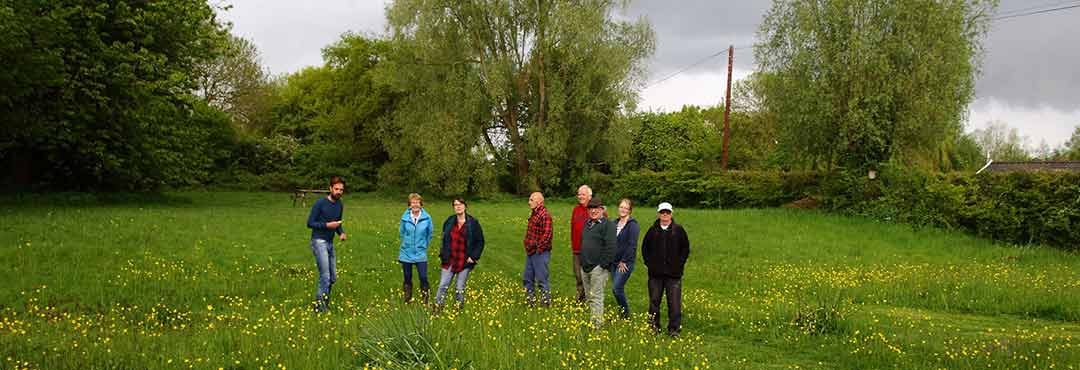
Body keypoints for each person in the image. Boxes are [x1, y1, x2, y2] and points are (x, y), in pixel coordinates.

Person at [641, 202, 690, 336]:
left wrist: (679, 264)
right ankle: (653, 326)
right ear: (658, 214)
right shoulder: (652, 231)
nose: (665, 215)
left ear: (671, 214)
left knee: (674, 303)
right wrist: (650, 264)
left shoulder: (678, 230)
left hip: (673, 275)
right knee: (654, 301)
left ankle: (674, 329)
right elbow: (645, 249)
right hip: (655, 275)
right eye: (662, 212)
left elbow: (685, 249)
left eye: (667, 212)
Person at [306, 176, 348, 313]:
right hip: (319, 241)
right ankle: (320, 307)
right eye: (336, 189)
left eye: (341, 190)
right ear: (330, 188)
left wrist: (341, 232)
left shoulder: (340, 204)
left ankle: (325, 302)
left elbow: (337, 222)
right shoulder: (320, 203)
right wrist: (327, 225)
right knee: (325, 276)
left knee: (332, 277)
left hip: (330, 242)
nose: (339, 192)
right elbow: (310, 223)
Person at [435, 197, 485, 310]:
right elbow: (444, 238)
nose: (458, 206)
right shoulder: (449, 221)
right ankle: (437, 308)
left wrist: (474, 256)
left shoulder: (473, 223)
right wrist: (443, 252)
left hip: (464, 260)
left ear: (465, 206)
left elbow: (480, 241)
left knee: (459, 288)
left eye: (460, 204)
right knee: (443, 285)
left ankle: (458, 309)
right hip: (450, 259)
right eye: (455, 205)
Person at [579, 196, 616, 327]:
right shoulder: (588, 224)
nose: (593, 211)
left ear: (602, 209)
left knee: (596, 297)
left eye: (596, 208)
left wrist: (602, 265)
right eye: (590, 208)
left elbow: (611, 247)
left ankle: (597, 326)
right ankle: (593, 320)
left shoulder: (608, 225)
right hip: (585, 266)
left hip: (598, 268)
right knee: (589, 298)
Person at [398, 193, 433, 304]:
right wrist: (407, 243)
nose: (415, 205)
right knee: (407, 277)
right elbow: (402, 232)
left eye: (417, 202)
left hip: (420, 252)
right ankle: (407, 300)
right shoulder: (405, 218)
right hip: (406, 252)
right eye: (413, 202)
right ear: (409, 205)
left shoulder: (427, 218)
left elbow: (429, 234)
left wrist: (423, 245)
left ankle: (425, 300)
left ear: (421, 204)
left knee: (423, 276)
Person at [611, 198, 640, 319]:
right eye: (621, 207)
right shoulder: (614, 223)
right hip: (613, 262)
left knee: (616, 288)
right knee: (617, 289)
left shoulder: (633, 225)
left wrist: (624, 261)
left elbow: (632, 245)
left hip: (625, 263)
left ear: (630, 210)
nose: (623, 210)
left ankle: (626, 313)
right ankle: (623, 313)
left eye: (626, 208)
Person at [523, 192, 553, 307]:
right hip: (530, 252)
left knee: (541, 279)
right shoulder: (534, 213)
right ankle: (530, 302)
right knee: (527, 278)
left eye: (531, 200)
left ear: (539, 201)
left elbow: (547, 235)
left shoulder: (544, 215)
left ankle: (545, 303)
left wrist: (538, 249)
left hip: (540, 253)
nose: (529, 202)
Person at [570, 185, 592, 303]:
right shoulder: (576, 209)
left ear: (589, 196)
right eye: (579, 194)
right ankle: (580, 299)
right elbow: (573, 228)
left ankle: (590, 300)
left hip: (590, 251)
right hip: (577, 250)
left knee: (588, 276)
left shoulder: (595, 209)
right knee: (578, 276)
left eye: (583, 194)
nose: (580, 196)